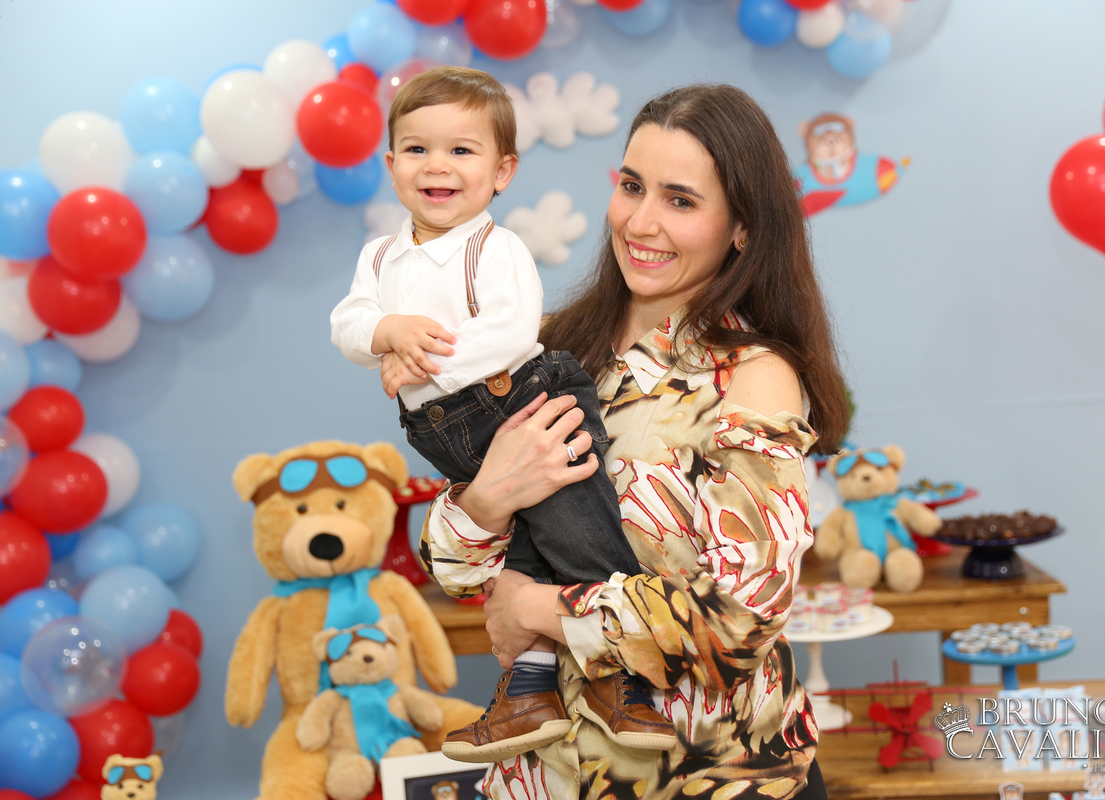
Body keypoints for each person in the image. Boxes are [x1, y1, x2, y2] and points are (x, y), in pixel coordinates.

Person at [421, 83, 849, 800]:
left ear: (740, 227)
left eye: (681, 201)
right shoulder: (549, 350)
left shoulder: (753, 376)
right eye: (631, 186)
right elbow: (458, 570)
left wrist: (536, 610)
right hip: (548, 777)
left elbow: (739, 619)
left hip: (708, 778)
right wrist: (491, 496)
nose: (640, 222)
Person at [328, 66, 672, 764]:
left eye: (462, 150)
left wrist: (419, 361)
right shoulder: (381, 255)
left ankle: (616, 676)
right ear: (390, 164)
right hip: (444, 428)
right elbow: (349, 321)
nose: (438, 166)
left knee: (574, 527)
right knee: (530, 538)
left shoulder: (496, 247)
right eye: (417, 149)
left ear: (502, 170)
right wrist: (384, 331)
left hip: (520, 393)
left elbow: (512, 333)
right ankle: (535, 691)